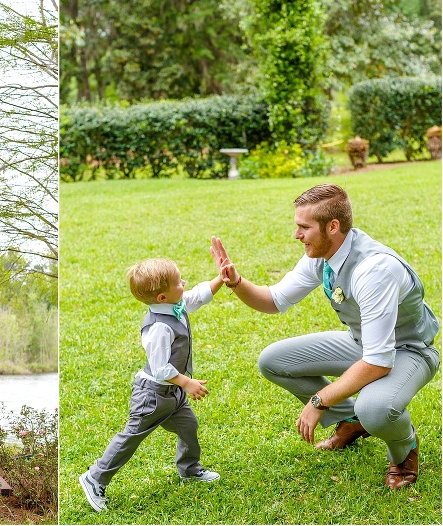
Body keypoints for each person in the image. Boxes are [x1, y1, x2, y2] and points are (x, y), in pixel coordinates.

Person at [210, 183, 439, 490]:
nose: (297, 235)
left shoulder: (374, 270)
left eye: (304, 227)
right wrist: (236, 282)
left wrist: (319, 401)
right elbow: (274, 300)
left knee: (374, 408)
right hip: (363, 343)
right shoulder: (323, 254)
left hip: (408, 351)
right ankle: (352, 423)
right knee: (273, 361)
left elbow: (378, 362)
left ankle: (404, 451)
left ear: (333, 227)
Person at [79, 258, 223, 512]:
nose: (184, 284)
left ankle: (189, 469)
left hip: (173, 394)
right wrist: (187, 382)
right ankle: (95, 478)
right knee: (131, 437)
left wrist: (222, 278)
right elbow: (160, 368)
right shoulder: (158, 327)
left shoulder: (176, 305)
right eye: (179, 282)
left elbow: (199, 295)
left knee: (188, 426)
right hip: (152, 396)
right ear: (161, 296)